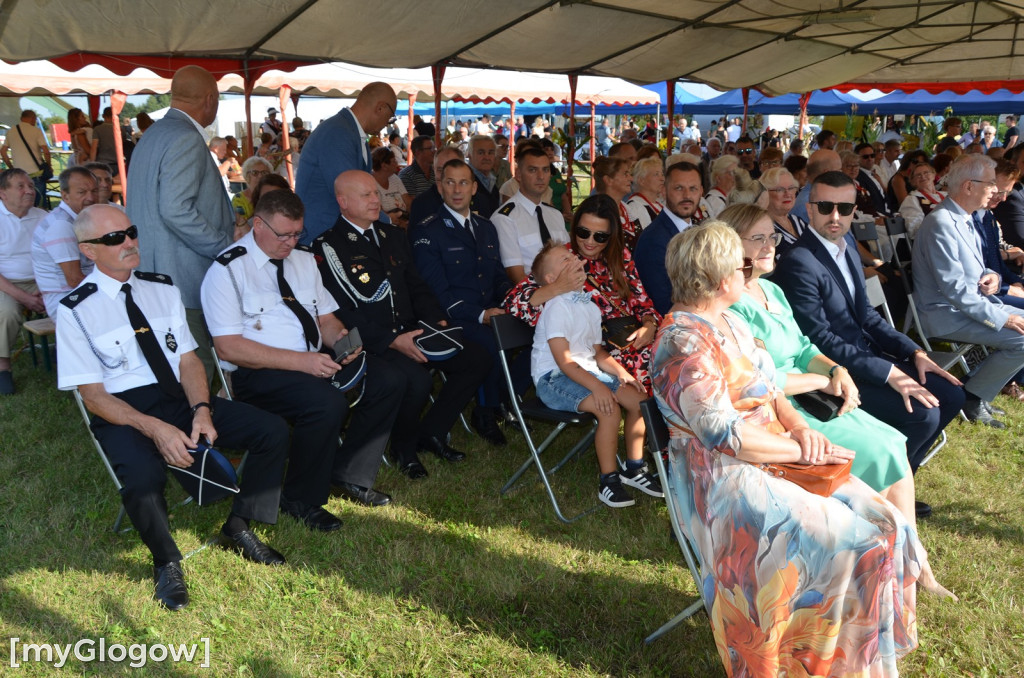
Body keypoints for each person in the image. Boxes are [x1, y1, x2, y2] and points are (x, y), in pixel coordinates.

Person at [650, 220, 950, 677]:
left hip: (773, 456)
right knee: (860, 542)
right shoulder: (683, 344)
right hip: (724, 480)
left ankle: (850, 659)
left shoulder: (729, 321)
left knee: (887, 522)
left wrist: (798, 427)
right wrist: (797, 449)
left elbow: (770, 389)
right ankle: (813, 662)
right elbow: (725, 437)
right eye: (742, 262)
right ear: (718, 278)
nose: (749, 269)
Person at [58, 204, 292, 610]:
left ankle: (237, 527)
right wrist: (155, 429)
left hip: (179, 398)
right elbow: (94, 397)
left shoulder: (161, 288)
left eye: (130, 232)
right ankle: (166, 562)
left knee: (272, 431)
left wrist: (201, 408)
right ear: (89, 251)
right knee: (144, 480)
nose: (129, 243)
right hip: (122, 412)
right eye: (115, 238)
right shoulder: (75, 309)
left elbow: (187, 360)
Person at [202, 189, 401, 523]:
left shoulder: (304, 261)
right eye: (283, 234)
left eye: (297, 234)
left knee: (389, 380)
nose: (291, 243)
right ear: (258, 224)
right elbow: (229, 347)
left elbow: (324, 318)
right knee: (326, 403)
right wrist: (303, 363)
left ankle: (349, 474)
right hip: (257, 372)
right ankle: (300, 499)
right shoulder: (228, 271)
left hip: (312, 361)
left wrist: (340, 342)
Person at [773, 171, 966, 507]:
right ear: (810, 209)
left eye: (845, 208)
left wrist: (914, 351)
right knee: (924, 414)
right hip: (834, 373)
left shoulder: (845, 245)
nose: (836, 216)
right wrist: (891, 374)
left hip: (867, 356)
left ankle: (898, 484)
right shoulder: (799, 262)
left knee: (951, 395)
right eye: (826, 206)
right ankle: (879, 494)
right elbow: (821, 339)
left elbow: (867, 317)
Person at [724, 203, 920, 524]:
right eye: (756, 238)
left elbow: (803, 348)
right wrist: (820, 381)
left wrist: (835, 370)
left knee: (894, 442)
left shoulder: (771, 289)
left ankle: (907, 554)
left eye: (771, 237)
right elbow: (762, 381)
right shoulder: (732, 305)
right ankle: (877, 543)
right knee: (881, 450)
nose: (768, 246)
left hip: (815, 400)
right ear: (731, 245)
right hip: (780, 412)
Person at [313, 170, 490, 480]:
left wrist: (437, 320)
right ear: (343, 202)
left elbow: (416, 286)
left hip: (412, 330)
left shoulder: (392, 235)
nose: (375, 199)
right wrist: (392, 341)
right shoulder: (329, 247)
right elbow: (342, 313)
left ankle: (431, 432)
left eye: (375, 193)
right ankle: (403, 450)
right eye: (365, 195)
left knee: (477, 358)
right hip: (374, 341)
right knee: (418, 380)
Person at [529, 242, 660, 507]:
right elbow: (564, 362)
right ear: (552, 279)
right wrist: (599, 388)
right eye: (564, 260)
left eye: (571, 256)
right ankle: (608, 480)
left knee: (640, 399)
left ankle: (634, 468)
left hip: (586, 371)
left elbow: (598, 353)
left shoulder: (589, 305)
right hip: (553, 379)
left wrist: (622, 374)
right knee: (608, 407)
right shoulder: (556, 306)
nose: (573, 259)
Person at [127, 65, 237, 380]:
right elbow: (176, 209)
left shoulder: (153, 135)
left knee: (171, 365)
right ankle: (200, 427)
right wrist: (224, 246)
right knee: (196, 369)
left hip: (152, 270)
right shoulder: (185, 138)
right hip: (182, 275)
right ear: (210, 99)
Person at [503, 194, 660, 391]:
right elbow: (514, 302)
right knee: (657, 367)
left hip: (630, 337)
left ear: (611, 235)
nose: (590, 242)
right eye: (583, 232)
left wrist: (649, 325)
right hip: (597, 349)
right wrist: (559, 286)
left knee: (676, 354)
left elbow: (642, 301)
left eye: (600, 236)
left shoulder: (620, 257)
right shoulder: (563, 259)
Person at [912, 154, 1024, 428]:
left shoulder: (964, 218)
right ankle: (972, 395)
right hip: (945, 315)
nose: (995, 191)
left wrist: (993, 277)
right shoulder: (942, 223)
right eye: (990, 184)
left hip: (967, 306)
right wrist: (1004, 319)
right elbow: (955, 291)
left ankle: (977, 391)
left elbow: (979, 268)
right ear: (969, 186)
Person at [410, 158, 515, 445]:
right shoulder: (427, 231)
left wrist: (512, 300)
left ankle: (510, 400)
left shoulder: (485, 226)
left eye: (463, 182)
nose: (457, 189)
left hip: (490, 310)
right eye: (450, 182)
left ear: (474, 188)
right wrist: (482, 315)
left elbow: (497, 275)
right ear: (440, 187)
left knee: (533, 333)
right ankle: (485, 412)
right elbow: (437, 294)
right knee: (491, 342)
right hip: (453, 318)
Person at [296, 82, 398, 244]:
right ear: (381, 108)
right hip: (319, 238)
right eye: (390, 117)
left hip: (334, 235)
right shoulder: (337, 133)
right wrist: (390, 222)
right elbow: (352, 196)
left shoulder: (351, 132)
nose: (388, 123)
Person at [634, 161, 704, 314]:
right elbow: (664, 303)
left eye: (693, 189)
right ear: (664, 192)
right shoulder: (653, 240)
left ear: (701, 192)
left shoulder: (700, 232)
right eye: (679, 188)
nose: (686, 196)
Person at [491, 145, 569, 283]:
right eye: (532, 170)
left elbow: (569, 261)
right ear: (519, 175)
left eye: (545, 170)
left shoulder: (555, 215)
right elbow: (517, 278)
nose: (540, 177)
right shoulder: (505, 219)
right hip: (532, 296)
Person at [0, 169, 47, 394]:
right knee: (6, 312)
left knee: (74, 301)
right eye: (21, 186)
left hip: (43, 280)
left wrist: (49, 288)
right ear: (3, 193)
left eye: (30, 185)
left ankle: (77, 354)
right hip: (7, 284)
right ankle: (3, 366)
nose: (30, 190)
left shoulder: (43, 217)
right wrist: (25, 298)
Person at [31, 167, 98, 317]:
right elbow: (74, 280)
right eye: (82, 192)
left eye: (94, 191)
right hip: (67, 300)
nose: (91, 197)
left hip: (85, 291)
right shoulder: (61, 225)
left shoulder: (83, 216)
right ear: (65, 196)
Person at [0, 110, 52, 207]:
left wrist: (11, 167)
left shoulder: (11, 131)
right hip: (36, 174)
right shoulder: (36, 131)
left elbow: (3, 152)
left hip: (19, 174)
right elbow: (46, 151)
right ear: (33, 118)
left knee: (22, 205)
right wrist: (49, 165)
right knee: (39, 205)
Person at [759, 167, 807, 260]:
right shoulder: (764, 229)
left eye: (791, 188)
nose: (788, 194)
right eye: (780, 189)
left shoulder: (797, 221)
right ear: (765, 193)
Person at [408, 146, 461, 227]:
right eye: (440, 170)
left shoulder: (479, 201)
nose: (445, 175)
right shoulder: (420, 204)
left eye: (451, 170)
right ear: (434, 169)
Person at [899, 160, 946, 238]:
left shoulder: (946, 195)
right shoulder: (912, 200)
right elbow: (914, 230)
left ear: (934, 175)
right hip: (932, 240)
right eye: (918, 175)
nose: (923, 177)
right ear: (913, 181)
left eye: (926, 173)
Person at [371, 146, 411, 228]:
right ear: (384, 166)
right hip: (385, 224)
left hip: (404, 219)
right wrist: (400, 223)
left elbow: (408, 202)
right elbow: (379, 211)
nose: (397, 164)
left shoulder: (394, 178)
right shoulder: (370, 182)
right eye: (394, 161)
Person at [624, 157, 664, 231]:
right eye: (656, 174)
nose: (662, 179)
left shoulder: (659, 204)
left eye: (662, 174)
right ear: (641, 180)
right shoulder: (635, 207)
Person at [231, 157, 274, 226]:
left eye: (264, 173)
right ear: (247, 176)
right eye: (255, 173)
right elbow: (242, 226)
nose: (260, 176)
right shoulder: (238, 199)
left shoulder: (273, 196)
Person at [467, 134, 501, 217]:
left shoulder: (492, 181)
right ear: (469, 155)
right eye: (481, 152)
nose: (487, 157)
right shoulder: (465, 181)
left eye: (490, 153)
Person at [703, 155, 739, 219]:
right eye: (731, 173)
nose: (735, 177)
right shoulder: (715, 201)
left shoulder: (727, 197)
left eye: (737, 172)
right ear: (718, 178)